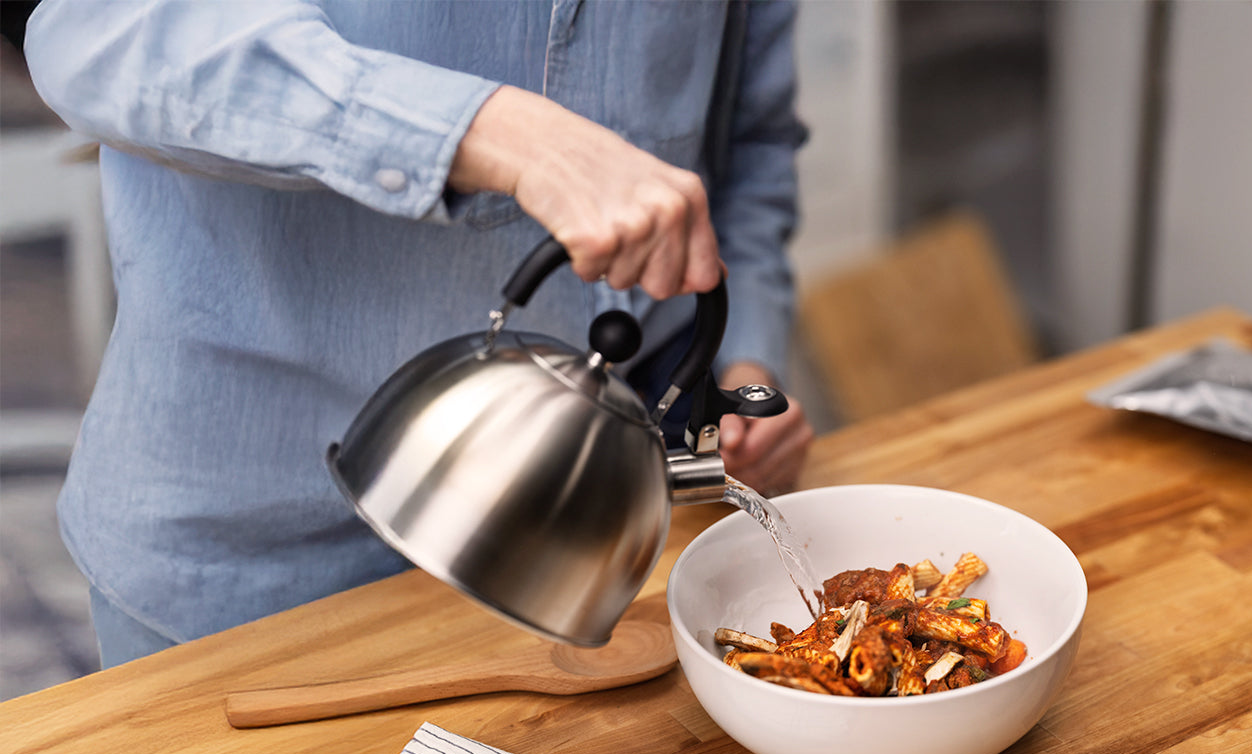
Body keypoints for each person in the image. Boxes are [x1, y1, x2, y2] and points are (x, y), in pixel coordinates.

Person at [24, 0, 814, 667]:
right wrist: (501, 135)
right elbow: (98, 35)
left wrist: (741, 362)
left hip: (586, 559)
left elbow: (750, 145)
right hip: (250, 568)